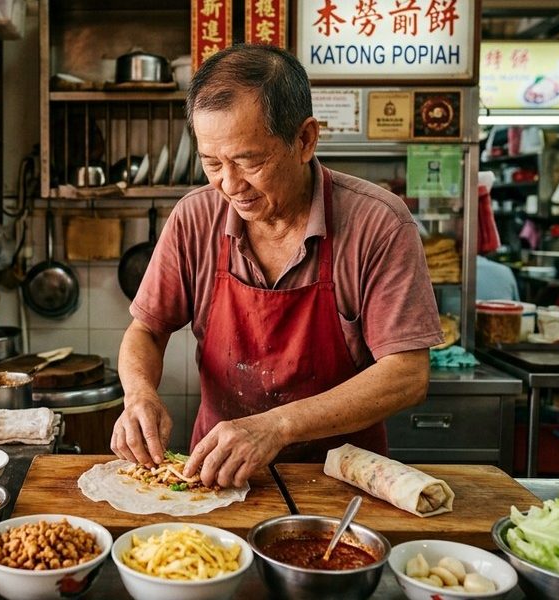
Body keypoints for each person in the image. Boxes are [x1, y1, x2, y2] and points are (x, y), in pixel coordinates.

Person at [112, 45, 442, 489]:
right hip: (214, 477)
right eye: (212, 163)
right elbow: (146, 331)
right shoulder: (194, 217)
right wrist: (139, 395)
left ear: (305, 139)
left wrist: (276, 426)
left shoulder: (378, 223)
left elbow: (407, 374)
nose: (230, 185)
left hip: (340, 479)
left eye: (250, 162)